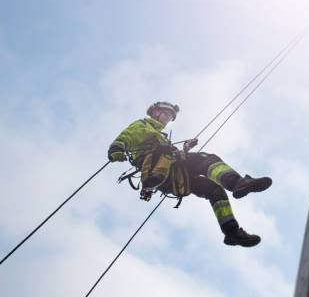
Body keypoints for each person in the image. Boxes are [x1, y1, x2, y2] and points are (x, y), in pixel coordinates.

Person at [107, 101, 271, 248]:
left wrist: (186, 148)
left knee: (214, 190)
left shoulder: (162, 137)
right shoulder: (144, 125)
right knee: (207, 159)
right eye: (166, 114)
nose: (167, 119)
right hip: (158, 167)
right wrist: (117, 148)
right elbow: (128, 135)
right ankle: (237, 183)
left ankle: (232, 232)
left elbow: (172, 156)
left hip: (170, 174)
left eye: (170, 117)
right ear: (155, 112)